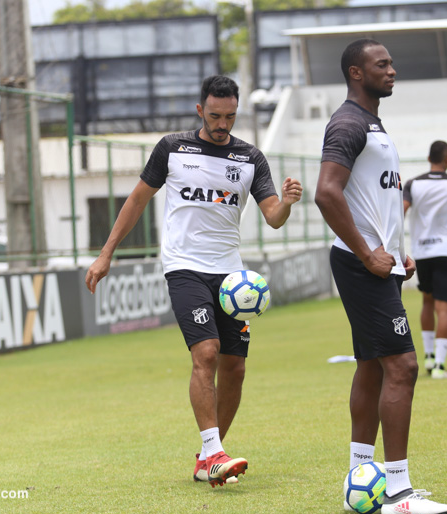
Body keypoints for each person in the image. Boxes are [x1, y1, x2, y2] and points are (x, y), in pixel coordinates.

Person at [84, 75, 303, 486]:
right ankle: (216, 452)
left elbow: (272, 216)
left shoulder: (251, 158)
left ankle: (208, 456)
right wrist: (106, 253)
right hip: (184, 266)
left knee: (234, 368)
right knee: (206, 352)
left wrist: (287, 204)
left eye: (231, 116)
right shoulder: (172, 148)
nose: (223, 124)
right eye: (216, 115)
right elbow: (136, 200)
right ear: (200, 110)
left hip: (231, 276)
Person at [315, 38, 447, 514]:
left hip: (381, 263)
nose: (392, 70)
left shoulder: (374, 123)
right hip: (360, 264)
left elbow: (375, 197)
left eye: (392, 62)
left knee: (373, 365)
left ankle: (361, 473)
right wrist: (368, 253)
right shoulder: (349, 123)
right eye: (382, 64)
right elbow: (326, 193)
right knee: (404, 367)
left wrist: (396, 253)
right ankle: (398, 491)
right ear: (356, 73)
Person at [403, 140, 447, 379]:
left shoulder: (413, 183)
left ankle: (429, 357)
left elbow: (401, 211)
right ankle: (440, 365)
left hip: (422, 252)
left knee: (427, 302)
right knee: (444, 309)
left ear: (429, 157)